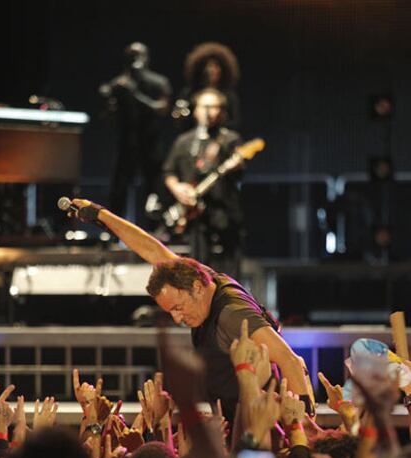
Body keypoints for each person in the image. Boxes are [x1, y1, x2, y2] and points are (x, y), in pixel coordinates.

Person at [67, 198, 312, 422]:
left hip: (261, 429)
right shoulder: (202, 279)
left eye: (178, 307)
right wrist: (101, 215)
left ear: (196, 288)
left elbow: (290, 360)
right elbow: (153, 250)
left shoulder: (232, 315)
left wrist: (302, 431)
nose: (177, 318)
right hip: (234, 421)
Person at [163, 87, 243, 277]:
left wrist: (236, 165)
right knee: (196, 271)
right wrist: (177, 188)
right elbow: (168, 171)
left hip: (223, 215)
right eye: (206, 106)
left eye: (216, 107)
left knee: (227, 272)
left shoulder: (229, 139)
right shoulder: (184, 141)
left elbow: (240, 173)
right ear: (196, 110)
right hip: (193, 219)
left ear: (223, 112)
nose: (211, 112)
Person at [99, 42, 171, 227]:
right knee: (119, 188)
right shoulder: (118, 84)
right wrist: (109, 99)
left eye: (139, 55)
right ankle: (114, 228)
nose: (135, 60)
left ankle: (155, 230)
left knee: (154, 187)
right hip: (126, 143)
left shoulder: (158, 83)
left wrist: (134, 95)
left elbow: (161, 109)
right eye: (132, 56)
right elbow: (108, 116)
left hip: (150, 142)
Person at [172, 42, 241, 131]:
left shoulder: (229, 96)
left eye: (216, 66)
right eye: (208, 66)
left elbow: (235, 123)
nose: (212, 70)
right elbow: (180, 123)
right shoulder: (189, 93)